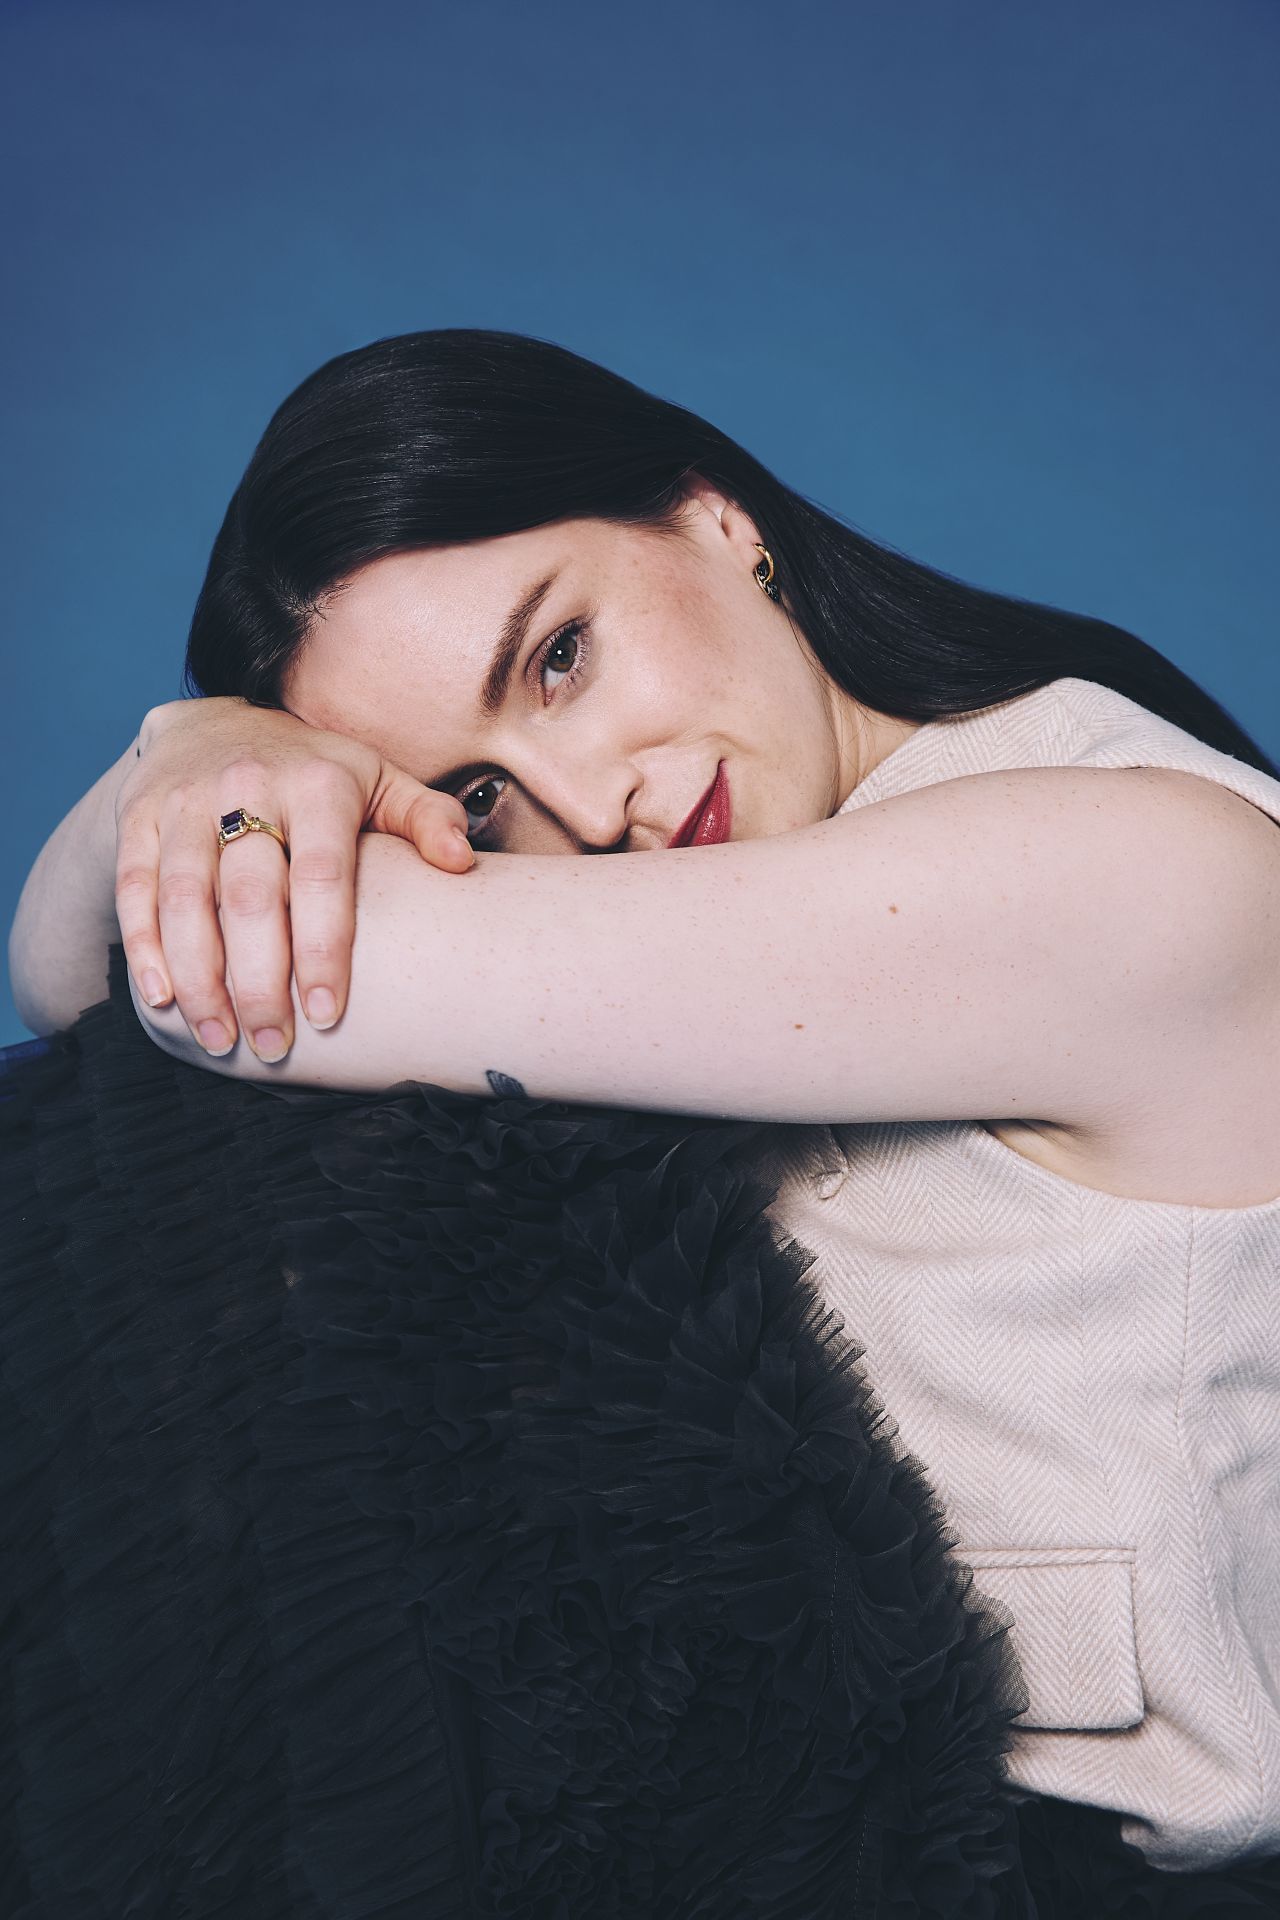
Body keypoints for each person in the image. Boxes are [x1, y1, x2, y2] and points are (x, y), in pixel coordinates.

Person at [5, 327, 1280, 1913]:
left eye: (559, 658)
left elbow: (207, 990)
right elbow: (76, 988)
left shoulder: (1143, 875)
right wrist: (208, 755)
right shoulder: (760, 883)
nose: (591, 808)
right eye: (474, 797)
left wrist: (192, 767)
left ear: (716, 518)